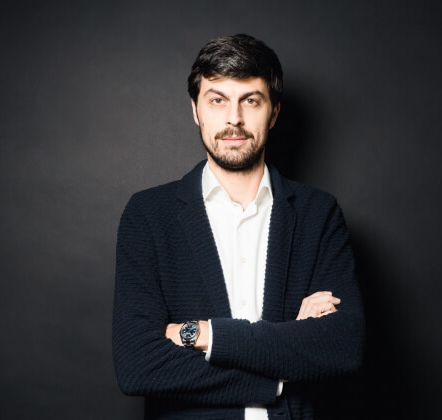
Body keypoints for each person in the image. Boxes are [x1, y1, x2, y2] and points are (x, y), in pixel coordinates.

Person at [112, 33, 365, 419]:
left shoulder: (318, 213)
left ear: (274, 112)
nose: (234, 119)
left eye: (251, 100)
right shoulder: (148, 215)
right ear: (196, 110)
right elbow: (138, 365)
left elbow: (343, 347)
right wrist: (282, 369)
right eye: (217, 100)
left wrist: (202, 334)